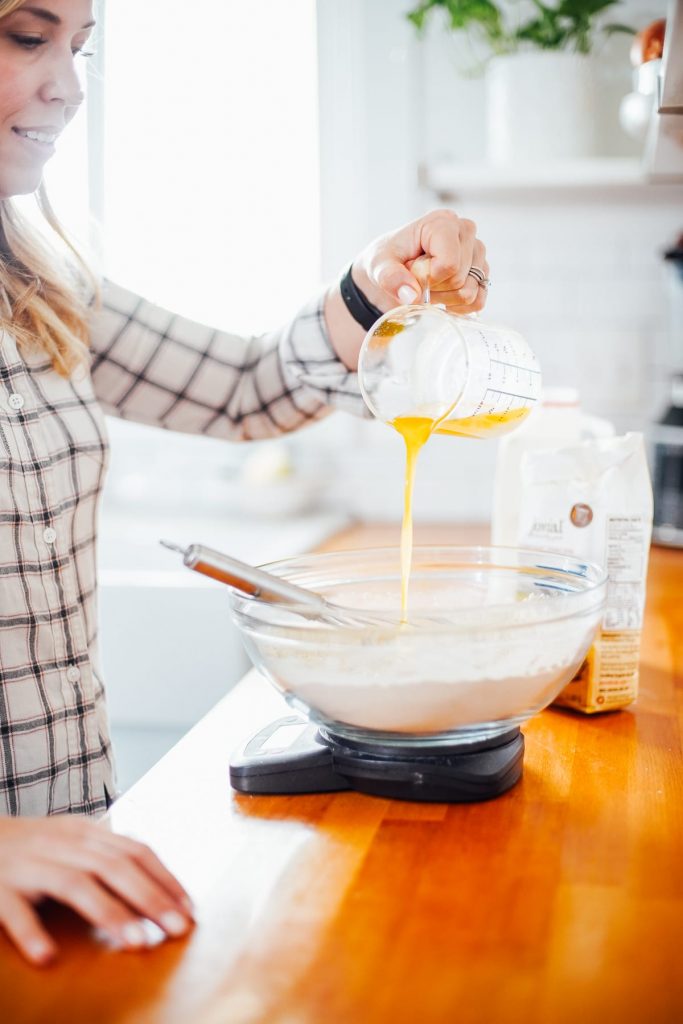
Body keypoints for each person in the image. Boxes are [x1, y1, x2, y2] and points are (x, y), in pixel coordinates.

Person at [0, 0, 490, 966]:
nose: (68, 84)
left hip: (68, 890)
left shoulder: (35, 281)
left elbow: (244, 387)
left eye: (81, 47)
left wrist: (374, 280)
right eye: (26, 36)